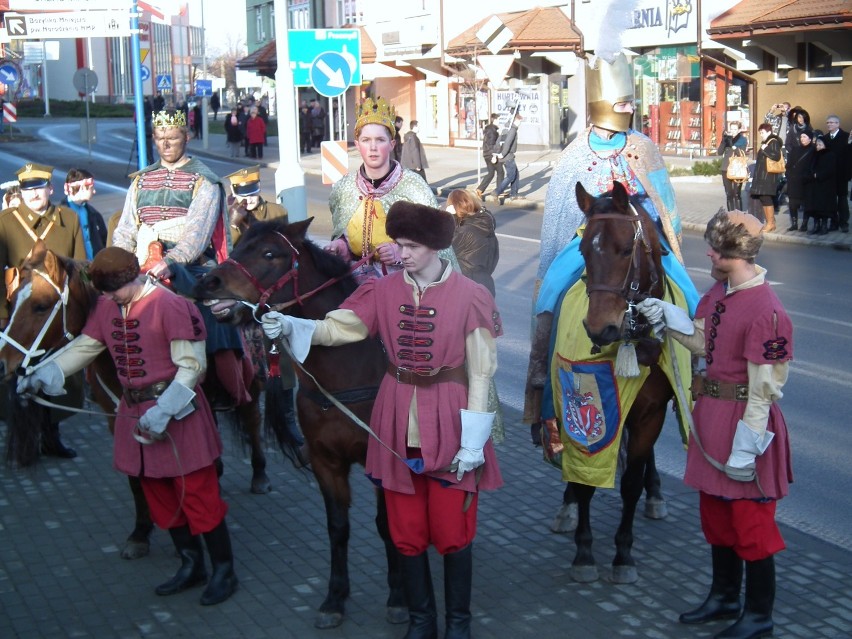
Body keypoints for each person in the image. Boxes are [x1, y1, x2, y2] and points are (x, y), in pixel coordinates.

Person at [260, 201, 503, 639]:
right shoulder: (383, 291)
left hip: (451, 414)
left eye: (412, 246)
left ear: (435, 247)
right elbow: (342, 328)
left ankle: (459, 625)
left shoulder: (471, 296)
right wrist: (294, 326)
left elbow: (482, 370)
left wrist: (473, 440)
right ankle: (421, 621)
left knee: (452, 529)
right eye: (399, 244)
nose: (402, 253)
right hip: (395, 413)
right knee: (405, 529)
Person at [17, 247, 239, 605]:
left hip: (177, 413)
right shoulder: (108, 305)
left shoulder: (170, 306)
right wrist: (47, 373)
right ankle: (192, 564)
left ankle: (224, 571)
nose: (107, 299)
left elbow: (192, 367)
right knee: (159, 495)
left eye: (112, 292)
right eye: (103, 293)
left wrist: (164, 410)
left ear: (132, 279)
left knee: (198, 496)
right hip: (134, 414)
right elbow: (88, 346)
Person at [525, 52, 698, 445]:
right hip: (590, 235)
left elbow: (664, 202)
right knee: (551, 292)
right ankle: (544, 385)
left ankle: (693, 381)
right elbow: (562, 214)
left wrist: (646, 217)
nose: (628, 109)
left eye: (630, 102)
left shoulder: (643, 145)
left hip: (638, 233)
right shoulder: (575, 153)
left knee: (688, 293)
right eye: (622, 104)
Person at [637, 209, 793, 639]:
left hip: (746, 425)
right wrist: (669, 316)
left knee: (752, 526)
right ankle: (725, 597)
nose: (709, 253)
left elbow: (765, 388)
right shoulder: (720, 292)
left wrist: (749, 444)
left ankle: (759, 615)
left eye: (716, 250)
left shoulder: (768, 310)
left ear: (737, 255)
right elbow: (704, 341)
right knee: (718, 519)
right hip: (714, 419)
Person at [112, 109, 253, 411]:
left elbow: (197, 235)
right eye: (160, 138)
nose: (166, 144)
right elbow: (125, 228)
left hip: (190, 266)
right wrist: (120, 264)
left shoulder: (205, 181)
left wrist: (170, 262)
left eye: (173, 138)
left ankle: (234, 390)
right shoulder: (140, 181)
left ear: (186, 137)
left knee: (216, 312)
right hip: (139, 264)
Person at [0, 163, 87, 459]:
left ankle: (52, 437)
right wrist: (1, 312)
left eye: (39, 187)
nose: (34, 194)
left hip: (55, 318)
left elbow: (80, 269)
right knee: (15, 379)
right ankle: (22, 441)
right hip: (18, 316)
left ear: (50, 188)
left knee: (55, 376)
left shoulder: (68, 219)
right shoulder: (6, 222)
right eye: (27, 189)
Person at [325, 97, 442, 284]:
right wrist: (341, 246)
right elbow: (344, 233)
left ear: (392, 144)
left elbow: (434, 239)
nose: (372, 147)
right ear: (357, 145)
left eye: (380, 140)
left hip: (404, 285)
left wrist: (400, 251)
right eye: (366, 140)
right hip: (354, 284)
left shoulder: (412, 186)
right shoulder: (344, 187)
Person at [446, 189, 499, 297]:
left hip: (466, 287)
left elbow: (442, 248)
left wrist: (449, 217)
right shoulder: (485, 224)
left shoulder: (463, 232)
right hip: (486, 284)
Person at [224, 165, 288, 245]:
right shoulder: (224, 215)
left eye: (252, 194)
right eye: (243, 196)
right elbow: (220, 251)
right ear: (233, 191)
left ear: (259, 187)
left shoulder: (277, 212)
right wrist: (233, 225)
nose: (249, 200)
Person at [61, 168, 107, 259]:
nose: (94, 191)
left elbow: (103, 241)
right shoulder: (60, 215)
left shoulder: (94, 214)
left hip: (93, 267)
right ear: (81, 188)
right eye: (91, 188)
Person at [750, 123, 783, 232]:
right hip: (763, 176)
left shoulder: (773, 141)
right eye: (760, 133)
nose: (761, 135)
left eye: (762, 133)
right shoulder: (766, 142)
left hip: (768, 176)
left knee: (766, 198)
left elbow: (776, 156)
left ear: (769, 132)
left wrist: (765, 149)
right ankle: (770, 222)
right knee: (763, 198)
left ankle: (771, 223)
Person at [823, 114, 851, 233]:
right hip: (829, 175)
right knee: (831, 200)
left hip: (842, 174)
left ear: (838, 124)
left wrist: (849, 174)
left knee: (842, 199)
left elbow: (849, 157)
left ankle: (843, 222)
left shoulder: (846, 137)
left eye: (832, 122)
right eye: (828, 123)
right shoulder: (824, 138)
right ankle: (833, 222)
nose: (829, 124)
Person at [805, 134, 837, 236]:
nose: (818, 146)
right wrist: (812, 174)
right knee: (814, 207)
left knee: (823, 207)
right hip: (814, 185)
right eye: (817, 144)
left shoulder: (830, 154)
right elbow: (810, 167)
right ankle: (816, 226)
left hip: (825, 185)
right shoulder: (814, 154)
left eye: (820, 144)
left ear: (825, 145)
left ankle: (824, 227)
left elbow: (830, 169)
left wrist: (818, 175)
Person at [784, 130, 816, 232]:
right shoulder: (795, 149)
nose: (802, 139)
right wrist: (788, 174)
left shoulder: (813, 151)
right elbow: (788, 164)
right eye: (801, 137)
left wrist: (808, 176)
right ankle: (794, 224)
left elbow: (814, 166)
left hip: (806, 182)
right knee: (792, 203)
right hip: (794, 181)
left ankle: (804, 224)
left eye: (805, 137)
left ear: (810, 139)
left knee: (806, 204)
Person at [718, 122, 749, 212]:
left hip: (737, 168)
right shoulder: (727, 139)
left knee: (736, 194)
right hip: (726, 168)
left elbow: (741, 154)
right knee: (729, 194)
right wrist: (724, 141)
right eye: (731, 129)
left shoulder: (743, 139)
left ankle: (739, 215)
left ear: (739, 130)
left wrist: (734, 146)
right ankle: (731, 216)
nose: (733, 131)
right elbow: (719, 152)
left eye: (735, 129)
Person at [494, 112, 523, 205]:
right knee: (510, 176)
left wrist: (496, 153)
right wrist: (502, 154)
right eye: (519, 121)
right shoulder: (512, 130)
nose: (520, 123)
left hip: (506, 155)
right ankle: (497, 192)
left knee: (516, 174)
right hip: (508, 156)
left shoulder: (506, 128)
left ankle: (513, 194)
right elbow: (507, 143)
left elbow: (499, 141)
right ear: (516, 120)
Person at [475, 113, 504, 200]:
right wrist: (494, 156)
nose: (499, 122)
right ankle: (499, 190)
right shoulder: (492, 131)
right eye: (498, 120)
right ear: (494, 120)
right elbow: (491, 144)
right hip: (491, 155)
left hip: (486, 154)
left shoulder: (490, 129)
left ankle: (479, 190)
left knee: (491, 173)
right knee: (500, 171)